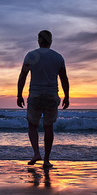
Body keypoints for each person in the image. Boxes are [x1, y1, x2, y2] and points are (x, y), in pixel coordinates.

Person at [17, 30, 69, 168]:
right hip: (52, 95)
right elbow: (64, 79)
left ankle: (36, 153)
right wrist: (67, 96)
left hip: (35, 94)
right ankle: (46, 160)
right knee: (48, 127)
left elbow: (23, 76)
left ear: (39, 41)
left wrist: (19, 94)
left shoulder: (31, 55)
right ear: (50, 41)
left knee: (32, 125)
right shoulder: (58, 57)